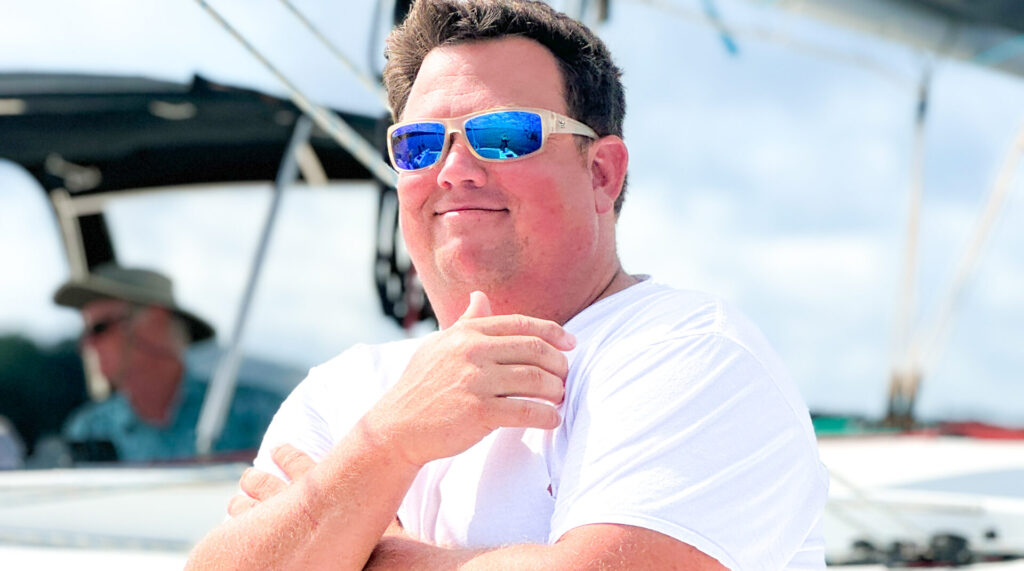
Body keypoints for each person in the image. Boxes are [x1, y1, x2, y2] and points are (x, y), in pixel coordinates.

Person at [188, 1, 828, 569]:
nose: (453, 169)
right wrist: (386, 444)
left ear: (602, 173)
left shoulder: (692, 355)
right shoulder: (348, 393)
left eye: (503, 136)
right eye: (418, 145)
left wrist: (363, 548)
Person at [53, 263, 281, 463]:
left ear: (155, 321)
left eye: (99, 328)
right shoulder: (88, 431)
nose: (85, 344)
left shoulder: (262, 417)